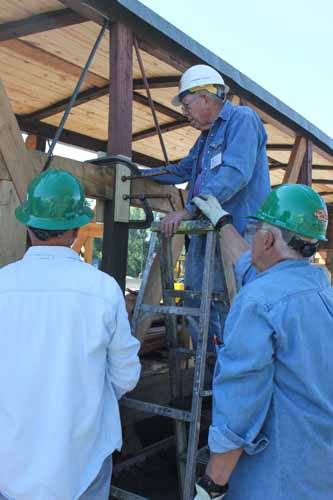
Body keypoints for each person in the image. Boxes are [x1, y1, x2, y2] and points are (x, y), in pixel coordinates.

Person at [0, 169, 141, 500]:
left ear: (28, 223)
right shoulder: (103, 289)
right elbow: (126, 376)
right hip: (82, 464)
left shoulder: (2, 284)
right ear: (77, 228)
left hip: (11, 464)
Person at [191, 186, 333, 499]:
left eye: (255, 230)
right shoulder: (322, 293)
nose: (252, 236)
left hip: (278, 478)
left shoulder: (257, 302)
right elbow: (245, 262)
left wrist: (213, 485)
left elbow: (240, 405)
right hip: (321, 469)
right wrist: (222, 222)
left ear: (267, 240)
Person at [145, 64, 270, 351]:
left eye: (187, 105)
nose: (185, 113)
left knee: (230, 302)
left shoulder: (243, 120)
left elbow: (235, 173)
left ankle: (236, 371)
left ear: (205, 96)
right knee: (194, 299)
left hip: (236, 229)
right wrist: (136, 171)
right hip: (205, 228)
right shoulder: (206, 138)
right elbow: (182, 169)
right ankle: (210, 372)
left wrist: (189, 210)